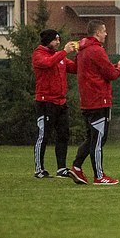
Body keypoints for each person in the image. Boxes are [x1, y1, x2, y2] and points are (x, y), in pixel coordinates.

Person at [70, 20, 120, 185]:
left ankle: (76, 167)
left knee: (92, 138)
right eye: (104, 31)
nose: (106, 34)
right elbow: (111, 75)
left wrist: (117, 65)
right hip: (99, 100)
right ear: (97, 32)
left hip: (87, 100)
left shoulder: (83, 50)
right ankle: (99, 176)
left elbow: (98, 70)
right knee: (99, 139)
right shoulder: (96, 50)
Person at [32, 29, 78, 178]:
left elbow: (75, 68)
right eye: (55, 40)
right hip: (45, 102)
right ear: (47, 41)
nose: (58, 42)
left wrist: (79, 55)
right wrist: (64, 51)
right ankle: (39, 169)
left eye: (59, 39)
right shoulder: (39, 54)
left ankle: (61, 168)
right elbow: (48, 63)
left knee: (63, 135)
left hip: (60, 102)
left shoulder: (60, 56)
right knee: (43, 136)